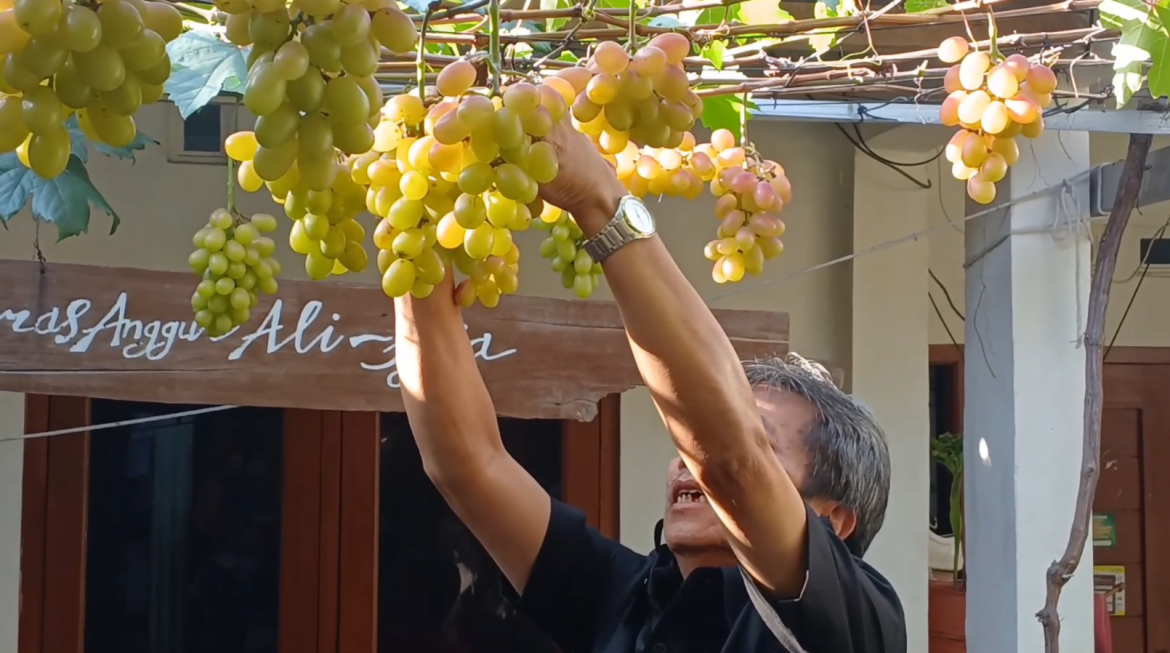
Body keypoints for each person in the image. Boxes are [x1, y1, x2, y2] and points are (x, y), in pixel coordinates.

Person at [393, 117, 907, 653]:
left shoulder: (857, 624)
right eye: (682, 445)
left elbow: (732, 460)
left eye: (765, 437)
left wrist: (601, 202)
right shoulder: (629, 595)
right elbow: (468, 464)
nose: (688, 457)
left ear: (833, 519)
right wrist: (417, 255)